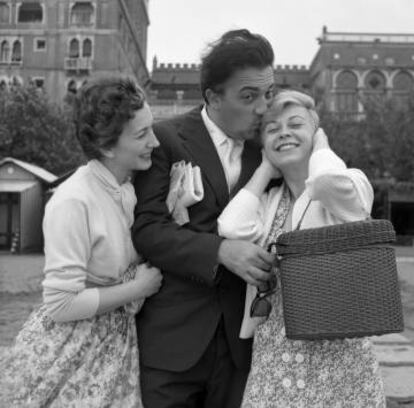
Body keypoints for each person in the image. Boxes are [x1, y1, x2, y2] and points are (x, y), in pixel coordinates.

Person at [132, 29, 276, 408]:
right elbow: (148, 229)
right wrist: (221, 251)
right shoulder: (166, 139)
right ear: (213, 96)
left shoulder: (269, 152)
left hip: (241, 348)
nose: (262, 107)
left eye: (268, 94)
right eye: (249, 96)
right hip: (172, 343)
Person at [0, 77, 162, 407]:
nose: (155, 142)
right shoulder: (73, 201)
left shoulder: (128, 189)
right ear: (106, 147)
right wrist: (137, 288)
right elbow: (60, 305)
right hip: (71, 350)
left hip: (115, 345)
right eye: (142, 134)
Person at [218, 90, 386, 407]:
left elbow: (323, 183)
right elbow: (230, 227)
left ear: (316, 134)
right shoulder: (268, 204)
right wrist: (265, 170)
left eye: (296, 124)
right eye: (272, 129)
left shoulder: (351, 185)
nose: (284, 132)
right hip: (276, 361)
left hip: (341, 360)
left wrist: (321, 144)